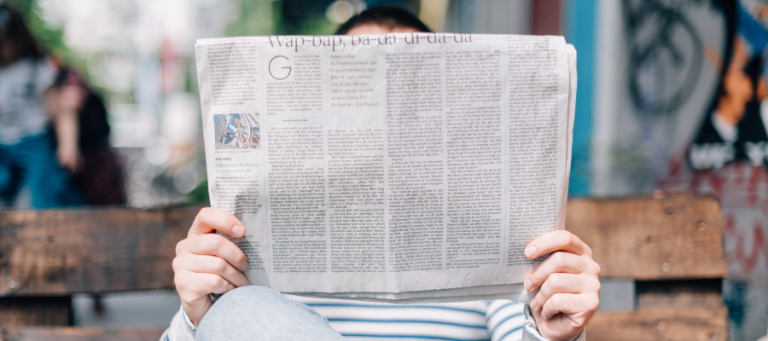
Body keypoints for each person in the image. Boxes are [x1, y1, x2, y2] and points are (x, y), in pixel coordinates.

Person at [164, 6, 599, 341]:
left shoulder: (487, 233)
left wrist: (554, 330)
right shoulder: (255, 244)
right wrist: (197, 314)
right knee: (242, 311)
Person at [0, 4, 84, 208]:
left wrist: (68, 145)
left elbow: (62, 111)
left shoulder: (37, 67)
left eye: (7, 37)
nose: (4, 45)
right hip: (3, 145)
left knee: (39, 198)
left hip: (34, 143)